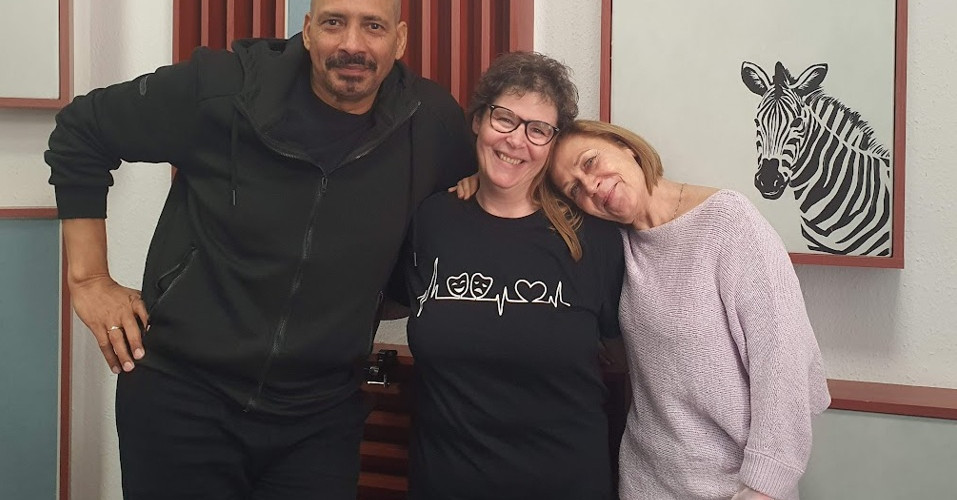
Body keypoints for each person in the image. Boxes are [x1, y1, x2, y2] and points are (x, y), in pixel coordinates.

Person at [43, 0, 475, 498]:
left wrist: (475, 190)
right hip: (182, 400)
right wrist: (89, 279)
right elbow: (82, 130)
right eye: (334, 22)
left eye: (372, 26)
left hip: (321, 417)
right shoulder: (223, 88)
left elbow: (489, 188)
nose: (351, 44)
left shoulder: (431, 122)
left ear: (399, 41)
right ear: (308, 31)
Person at [542, 120, 832, 500]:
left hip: (737, 488)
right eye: (574, 189)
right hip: (646, 484)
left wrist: (764, 486)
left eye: (590, 162)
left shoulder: (729, 222)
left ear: (625, 147)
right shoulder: (615, 247)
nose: (590, 186)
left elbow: (783, 359)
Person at [399, 53, 624, 499]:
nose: (517, 140)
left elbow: (624, 363)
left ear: (553, 143)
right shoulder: (432, 220)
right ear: (478, 120)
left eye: (538, 129)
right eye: (504, 118)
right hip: (444, 485)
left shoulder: (592, 237)